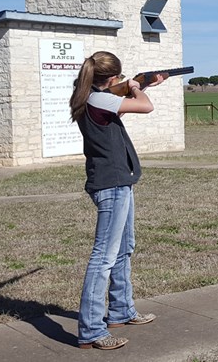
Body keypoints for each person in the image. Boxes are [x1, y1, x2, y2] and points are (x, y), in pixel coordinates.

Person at [68, 51, 166, 350]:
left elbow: (118, 112)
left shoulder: (92, 98)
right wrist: (137, 87)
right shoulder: (98, 99)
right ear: (111, 78)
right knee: (103, 259)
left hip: (117, 181)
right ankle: (92, 331)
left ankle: (121, 310)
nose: (122, 82)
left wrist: (140, 85)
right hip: (111, 184)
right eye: (119, 78)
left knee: (124, 248)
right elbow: (145, 108)